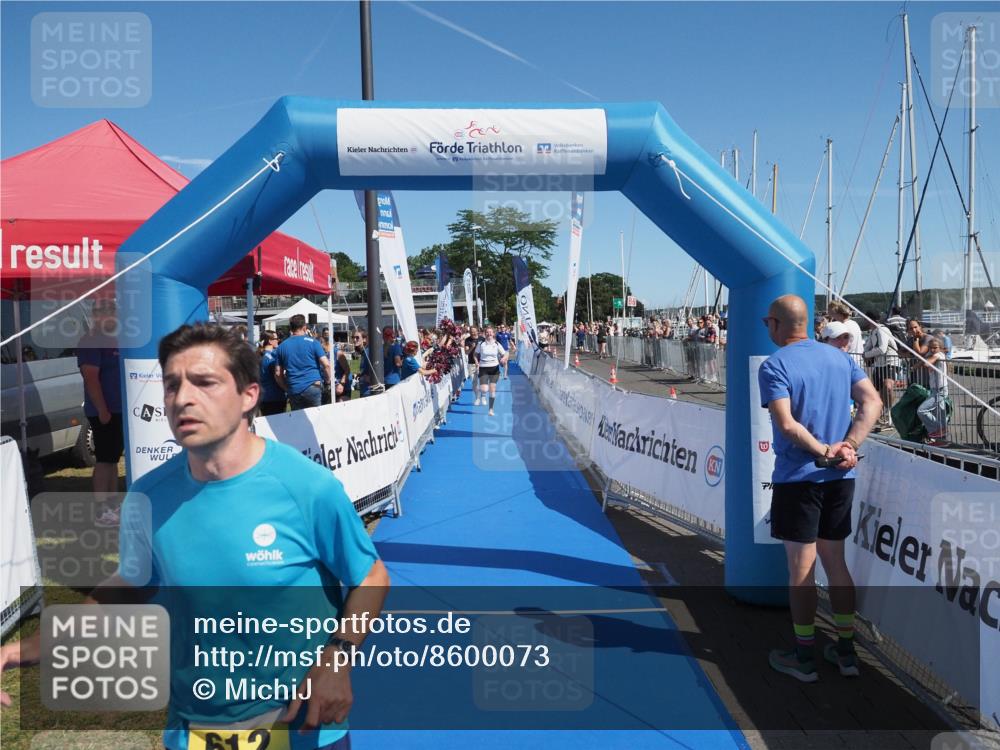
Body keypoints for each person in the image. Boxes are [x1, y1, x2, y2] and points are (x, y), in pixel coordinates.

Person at [0, 322, 391, 749]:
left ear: (249, 395)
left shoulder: (307, 487)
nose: (183, 398)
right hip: (193, 729)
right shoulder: (147, 494)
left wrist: (338, 656)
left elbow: (370, 577)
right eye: (172, 385)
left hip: (300, 727)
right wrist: (30, 646)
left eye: (205, 383)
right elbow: (129, 585)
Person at [758, 295, 881, 683]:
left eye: (767, 323)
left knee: (802, 571)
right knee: (836, 563)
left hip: (801, 479)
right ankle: (846, 652)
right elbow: (872, 402)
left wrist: (825, 451)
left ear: (776, 324)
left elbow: (787, 425)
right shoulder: (839, 358)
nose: (767, 328)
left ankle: (804, 656)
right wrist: (849, 447)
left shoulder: (775, 364)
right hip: (840, 478)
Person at [77, 298, 123, 527]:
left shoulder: (114, 339)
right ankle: (101, 511)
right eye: (110, 311)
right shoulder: (90, 341)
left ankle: (113, 506)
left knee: (113, 459)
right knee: (104, 460)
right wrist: (103, 409)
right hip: (104, 411)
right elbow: (91, 378)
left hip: (118, 409)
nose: (115, 316)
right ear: (98, 315)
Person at [274, 314, 333, 410]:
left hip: (294, 388)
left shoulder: (282, 346)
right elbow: (326, 364)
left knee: (298, 421)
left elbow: (277, 373)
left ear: (291, 328)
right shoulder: (313, 342)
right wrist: (327, 381)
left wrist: (286, 388)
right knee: (316, 420)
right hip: (313, 386)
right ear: (304, 327)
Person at [861, 312, 899, 427]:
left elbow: (882, 348)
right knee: (879, 390)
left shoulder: (882, 330)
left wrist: (866, 355)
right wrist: (866, 353)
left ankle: (889, 413)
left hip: (890, 362)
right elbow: (868, 347)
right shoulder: (872, 332)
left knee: (887, 387)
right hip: (879, 364)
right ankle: (883, 415)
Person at [915, 338, 949, 445]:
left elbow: (927, 363)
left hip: (940, 390)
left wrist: (924, 362)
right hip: (935, 389)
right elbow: (924, 360)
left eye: (935, 348)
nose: (933, 350)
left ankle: (937, 430)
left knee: (922, 410)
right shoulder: (932, 354)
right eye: (931, 348)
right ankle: (942, 439)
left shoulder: (939, 355)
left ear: (940, 348)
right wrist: (917, 365)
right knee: (940, 414)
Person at [475, 326, 508, 416]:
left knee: (492, 389)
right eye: (487, 332)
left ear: (493, 334)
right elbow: (475, 354)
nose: (489, 334)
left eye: (491, 332)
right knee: (484, 389)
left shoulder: (497, 344)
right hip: (483, 367)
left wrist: (503, 359)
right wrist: (477, 363)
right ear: (485, 334)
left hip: (494, 368)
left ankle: (491, 409)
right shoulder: (481, 344)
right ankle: (482, 395)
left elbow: (505, 354)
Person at [258, 330, 287, 416]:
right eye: (276, 338)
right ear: (270, 341)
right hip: (275, 397)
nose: (278, 340)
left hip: (265, 397)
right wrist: (286, 389)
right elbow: (277, 375)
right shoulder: (270, 358)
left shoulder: (260, 355)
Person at [904, 319, 933, 388]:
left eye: (915, 327)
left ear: (920, 326)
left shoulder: (928, 338)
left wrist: (916, 339)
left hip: (926, 377)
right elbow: (900, 352)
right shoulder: (910, 340)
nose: (914, 330)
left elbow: (919, 353)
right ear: (908, 331)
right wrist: (910, 354)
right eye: (911, 328)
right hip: (914, 375)